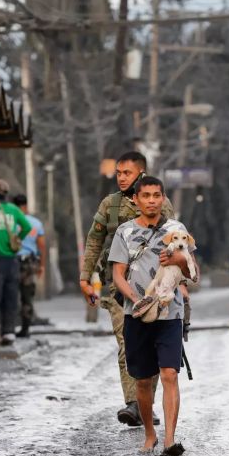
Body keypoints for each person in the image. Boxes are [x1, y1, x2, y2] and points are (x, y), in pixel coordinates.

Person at [79, 151, 174, 426]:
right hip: (118, 289)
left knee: (153, 348)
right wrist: (85, 278)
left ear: (141, 174)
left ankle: (145, 404)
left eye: (127, 173)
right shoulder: (110, 205)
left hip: (153, 290)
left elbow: (173, 242)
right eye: (118, 173)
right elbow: (94, 241)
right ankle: (134, 404)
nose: (121, 178)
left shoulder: (160, 204)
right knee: (127, 344)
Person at [108, 176, 197, 455]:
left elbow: (194, 274)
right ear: (136, 200)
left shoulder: (177, 230)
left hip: (170, 315)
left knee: (170, 373)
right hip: (136, 315)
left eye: (156, 195)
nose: (151, 200)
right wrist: (137, 300)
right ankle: (149, 434)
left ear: (162, 198)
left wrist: (179, 260)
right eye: (145, 195)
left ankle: (170, 439)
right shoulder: (123, 232)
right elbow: (117, 275)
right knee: (143, 380)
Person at [0, 179, 32, 345]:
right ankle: (9, 331)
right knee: (10, 295)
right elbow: (26, 226)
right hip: (12, 260)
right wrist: (17, 239)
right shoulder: (14, 209)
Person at [11, 194, 46, 338]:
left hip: (11, 261)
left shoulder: (10, 222)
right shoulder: (35, 223)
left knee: (10, 295)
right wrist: (41, 266)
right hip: (29, 263)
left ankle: (8, 328)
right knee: (27, 296)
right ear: (25, 206)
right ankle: (25, 329)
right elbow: (42, 246)